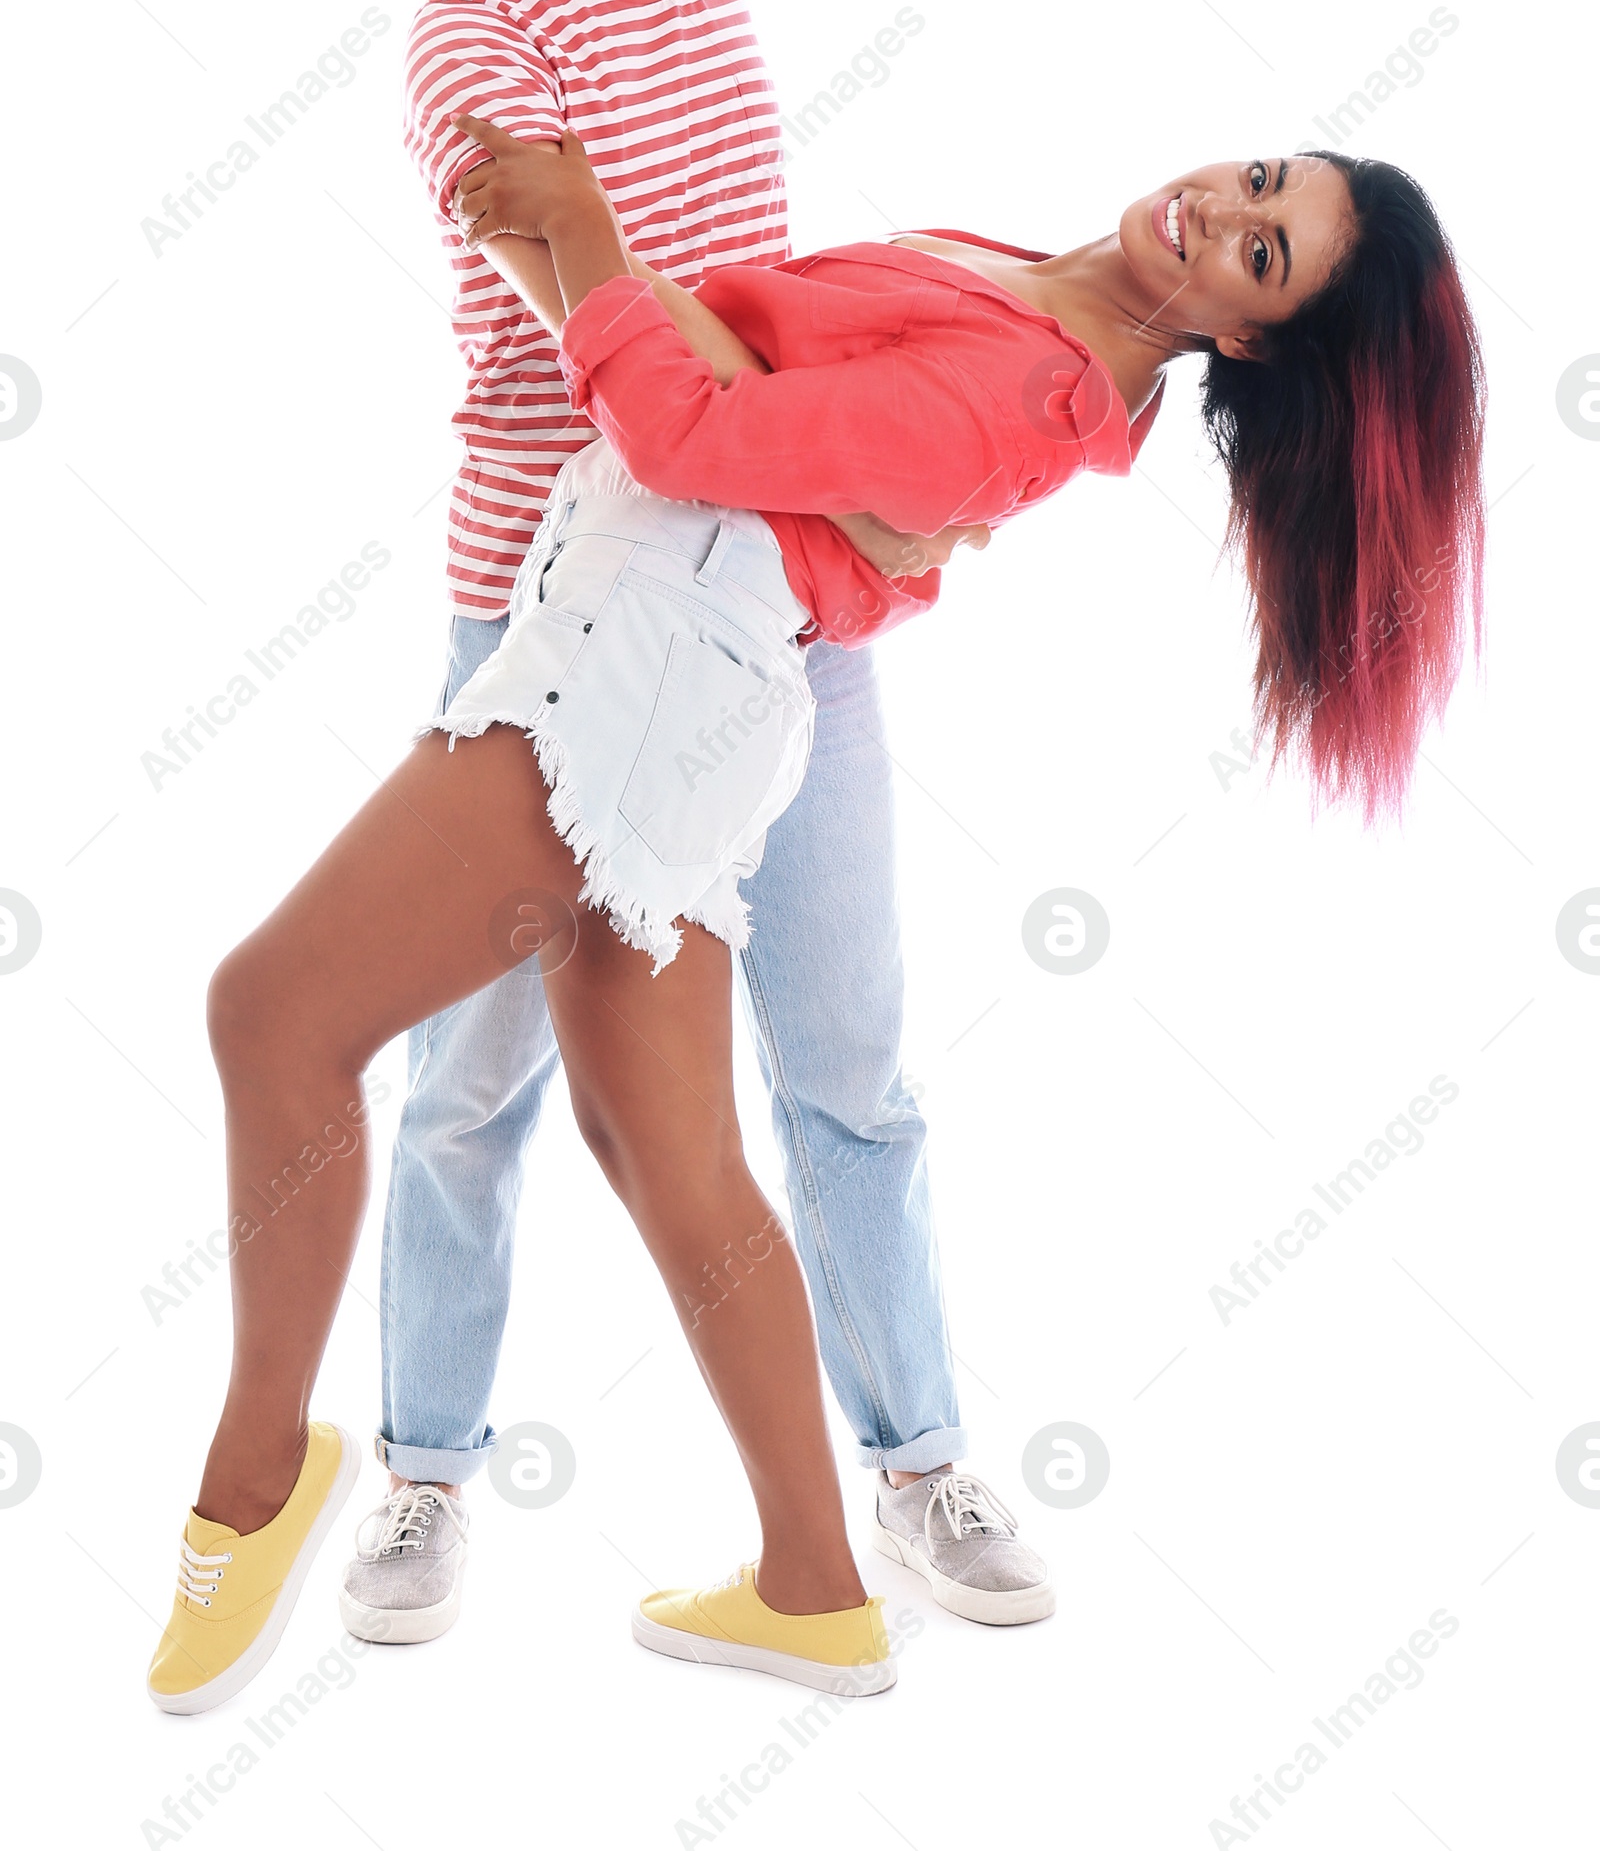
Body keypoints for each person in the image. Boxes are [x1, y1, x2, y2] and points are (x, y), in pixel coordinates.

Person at [146, 112, 1484, 1714]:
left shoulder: (1050, 387)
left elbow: (697, 436)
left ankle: (254, 1475)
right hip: (672, 645)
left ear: (1257, 344)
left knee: (271, 1016)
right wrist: (856, 517)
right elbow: (775, 394)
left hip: (641, 667)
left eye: (1262, 253)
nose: (1218, 210)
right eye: (1262, 180)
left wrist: (576, 232)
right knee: (664, 1150)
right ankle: (815, 1591)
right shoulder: (1028, 280)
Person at [347, 0, 1049, 1660]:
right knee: (475, 1073)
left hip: (779, 594)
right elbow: (579, 275)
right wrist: (837, 455)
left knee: (846, 1057)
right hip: (553, 613)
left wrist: (908, 444)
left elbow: (758, 292)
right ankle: (421, 1463)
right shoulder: (474, 42)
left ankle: (912, 1460)